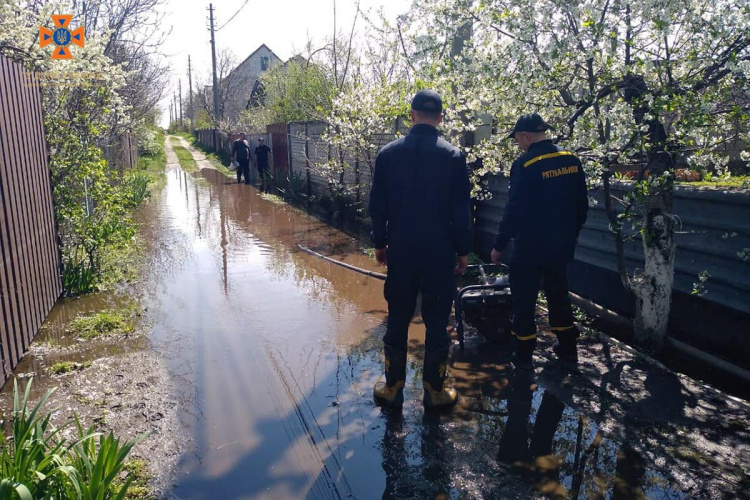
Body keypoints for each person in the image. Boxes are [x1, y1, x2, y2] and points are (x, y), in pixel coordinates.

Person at [369, 89, 472, 410]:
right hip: (439, 254)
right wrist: (462, 250)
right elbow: (461, 212)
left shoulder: (388, 154)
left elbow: (377, 206)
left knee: (398, 315)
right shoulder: (453, 156)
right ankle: (435, 391)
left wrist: (380, 244)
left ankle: (392, 387)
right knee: (437, 320)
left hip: (400, 250)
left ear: (411, 115)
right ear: (440, 119)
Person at [491, 113, 589, 370]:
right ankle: (568, 348)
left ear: (525, 136)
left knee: (524, 298)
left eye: (517, 140)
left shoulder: (525, 165)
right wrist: (571, 235)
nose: (518, 145)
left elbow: (515, 210)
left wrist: (499, 245)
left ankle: (523, 355)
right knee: (558, 293)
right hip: (561, 245)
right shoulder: (572, 160)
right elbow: (582, 206)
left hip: (531, 246)